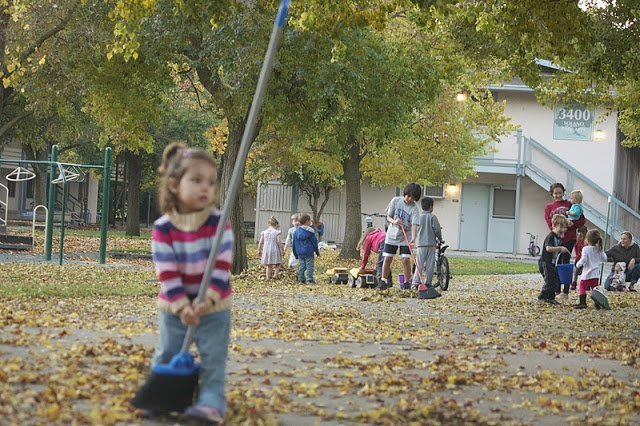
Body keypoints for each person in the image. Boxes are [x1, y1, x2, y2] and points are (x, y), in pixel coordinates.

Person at [150, 142, 232, 423]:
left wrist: (206, 300)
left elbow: (221, 266)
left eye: (211, 182)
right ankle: (164, 396)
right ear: (174, 185)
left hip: (214, 306)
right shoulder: (164, 228)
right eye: (196, 180)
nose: (205, 188)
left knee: (213, 357)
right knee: (168, 351)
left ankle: (211, 402)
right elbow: (166, 271)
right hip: (174, 307)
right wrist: (183, 306)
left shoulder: (220, 223)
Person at [544, 182, 585, 298]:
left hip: (569, 238)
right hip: (556, 239)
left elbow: (581, 220)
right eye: (555, 193)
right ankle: (556, 289)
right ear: (552, 194)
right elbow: (549, 223)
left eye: (560, 193)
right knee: (555, 263)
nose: (558, 195)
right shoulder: (549, 208)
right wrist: (556, 232)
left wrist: (573, 224)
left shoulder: (570, 204)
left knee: (564, 262)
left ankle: (565, 291)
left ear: (563, 193)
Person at [380, 183, 422, 290]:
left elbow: (414, 225)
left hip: (405, 236)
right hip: (392, 234)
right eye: (408, 196)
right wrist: (395, 221)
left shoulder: (414, 209)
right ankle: (383, 280)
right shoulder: (395, 201)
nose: (409, 199)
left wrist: (413, 238)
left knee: (405, 259)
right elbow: (388, 217)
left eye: (412, 198)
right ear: (405, 193)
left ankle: (407, 282)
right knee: (388, 257)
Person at [538, 214, 569, 305]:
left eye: (565, 228)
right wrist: (560, 248)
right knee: (549, 280)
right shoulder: (551, 236)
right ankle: (543, 296)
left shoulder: (558, 237)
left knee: (554, 279)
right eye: (561, 227)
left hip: (552, 262)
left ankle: (549, 297)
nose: (563, 230)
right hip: (545, 261)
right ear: (555, 226)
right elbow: (548, 248)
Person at [411, 197, 442, 290]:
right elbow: (437, 229)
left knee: (419, 264)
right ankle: (428, 283)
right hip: (431, 244)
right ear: (431, 207)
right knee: (430, 264)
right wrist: (440, 238)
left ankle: (415, 283)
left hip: (420, 244)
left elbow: (414, 229)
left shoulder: (418, 217)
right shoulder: (432, 217)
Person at [574, 229, 607, 309]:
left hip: (587, 273)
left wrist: (578, 264)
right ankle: (597, 303)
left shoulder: (586, 249)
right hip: (595, 274)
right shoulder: (599, 249)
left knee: (582, 287)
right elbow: (604, 259)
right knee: (595, 289)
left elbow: (584, 259)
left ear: (587, 239)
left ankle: (583, 302)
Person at [292, 213, 320, 284]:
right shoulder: (310, 231)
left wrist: (295, 253)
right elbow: (314, 242)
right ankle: (309, 279)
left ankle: (301, 279)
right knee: (309, 265)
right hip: (308, 251)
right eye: (309, 220)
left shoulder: (296, 232)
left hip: (300, 252)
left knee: (302, 265)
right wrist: (317, 251)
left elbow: (294, 243)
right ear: (307, 221)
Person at [258, 216, 284, 280]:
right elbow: (278, 242)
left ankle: (267, 277)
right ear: (276, 224)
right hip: (275, 249)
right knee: (278, 263)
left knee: (269, 265)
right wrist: (282, 249)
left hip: (266, 249)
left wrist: (259, 250)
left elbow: (260, 242)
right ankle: (275, 275)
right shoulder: (277, 232)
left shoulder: (264, 232)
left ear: (268, 224)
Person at [570, 226, 588, 290]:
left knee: (584, 271)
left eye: (582, 232)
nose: (580, 234)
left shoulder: (586, 242)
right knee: (576, 271)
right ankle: (574, 282)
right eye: (579, 232)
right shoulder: (577, 242)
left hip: (585, 260)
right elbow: (576, 250)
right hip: (578, 259)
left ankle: (584, 283)